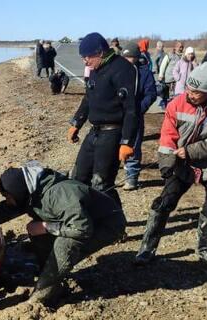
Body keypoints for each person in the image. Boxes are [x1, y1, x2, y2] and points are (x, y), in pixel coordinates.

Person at [134, 63, 207, 268]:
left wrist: (190, 151)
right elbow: (168, 135)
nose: (190, 94)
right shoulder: (177, 103)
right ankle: (147, 248)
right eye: (188, 88)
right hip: (182, 160)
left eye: (196, 92)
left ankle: (204, 249)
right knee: (164, 201)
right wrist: (166, 163)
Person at [0, 161, 125, 306]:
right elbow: (5, 210)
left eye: (8, 197)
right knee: (38, 232)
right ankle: (47, 270)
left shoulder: (57, 194)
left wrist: (45, 227)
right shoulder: (29, 192)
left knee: (64, 244)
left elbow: (82, 228)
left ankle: (42, 295)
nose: (8, 201)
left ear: (17, 191)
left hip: (106, 224)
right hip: (79, 221)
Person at [67, 32, 139, 207]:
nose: (85, 61)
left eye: (87, 57)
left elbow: (131, 109)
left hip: (113, 134)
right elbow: (88, 98)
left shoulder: (123, 69)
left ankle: (115, 221)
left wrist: (127, 142)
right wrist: (76, 123)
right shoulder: (96, 69)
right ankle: (85, 216)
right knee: (78, 177)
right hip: (95, 132)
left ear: (99, 52)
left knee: (102, 184)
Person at [120, 42, 158, 191]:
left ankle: (132, 177)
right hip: (117, 115)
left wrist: (139, 109)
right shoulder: (117, 72)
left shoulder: (144, 73)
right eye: (125, 57)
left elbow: (151, 94)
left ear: (136, 57)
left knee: (133, 146)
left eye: (130, 57)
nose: (127, 60)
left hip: (135, 116)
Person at [158, 41, 184, 107]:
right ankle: (168, 107)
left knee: (176, 95)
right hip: (170, 78)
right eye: (179, 47)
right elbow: (163, 65)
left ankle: (172, 107)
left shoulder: (183, 57)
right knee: (169, 96)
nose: (181, 49)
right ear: (175, 47)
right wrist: (161, 75)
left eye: (182, 47)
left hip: (178, 79)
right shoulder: (170, 55)